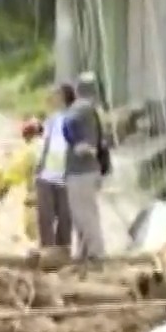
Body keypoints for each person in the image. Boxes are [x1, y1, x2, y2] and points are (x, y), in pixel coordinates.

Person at [61, 73, 111, 260]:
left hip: (81, 171)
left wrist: (76, 141)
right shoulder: (92, 110)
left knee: (83, 214)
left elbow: (67, 123)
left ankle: (95, 253)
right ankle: (85, 251)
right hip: (89, 170)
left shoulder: (81, 108)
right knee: (84, 212)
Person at [32, 83, 76, 253]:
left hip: (67, 173)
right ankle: (47, 250)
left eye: (56, 95)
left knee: (65, 216)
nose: (52, 98)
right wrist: (40, 166)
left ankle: (63, 250)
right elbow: (46, 144)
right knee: (45, 215)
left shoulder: (74, 117)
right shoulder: (52, 119)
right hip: (48, 173)